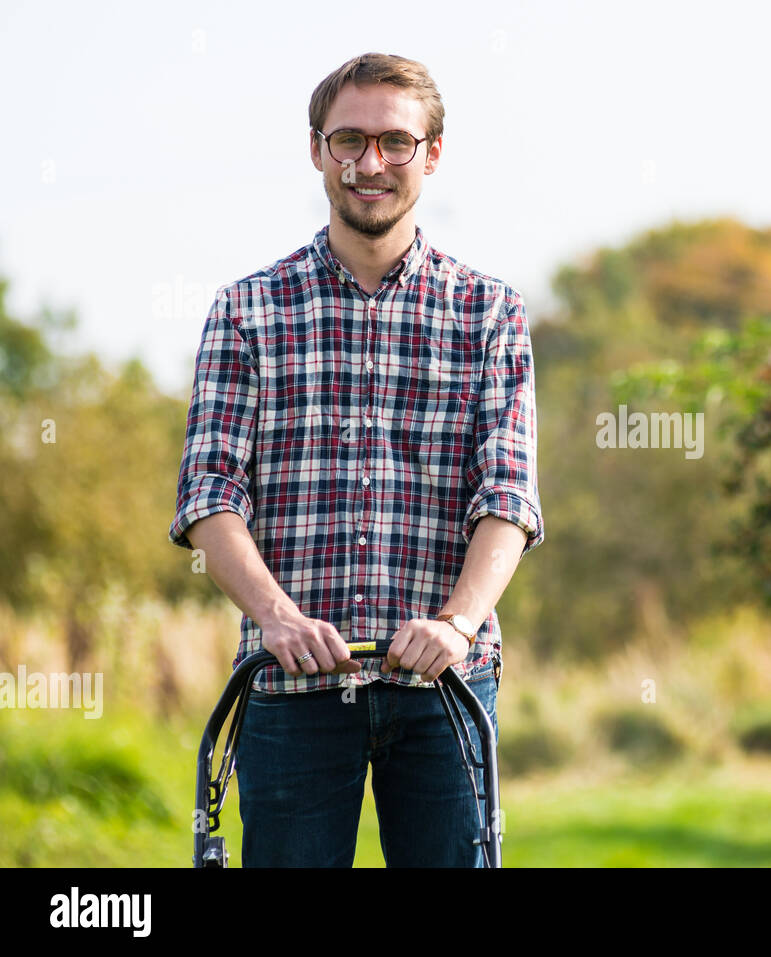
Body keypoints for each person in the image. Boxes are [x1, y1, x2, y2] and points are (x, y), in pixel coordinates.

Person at [168, 52, 544, 867]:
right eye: (349, 140)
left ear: (432, 153)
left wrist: (456, 623)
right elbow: (209, 494)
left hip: (445, 690)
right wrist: (277, 619)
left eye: (395, 142)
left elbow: (508, 497)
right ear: (317, 150)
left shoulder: (491, 313)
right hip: (291, 688)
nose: (370, 163)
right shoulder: (248, 311)